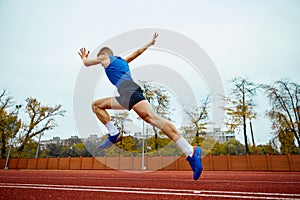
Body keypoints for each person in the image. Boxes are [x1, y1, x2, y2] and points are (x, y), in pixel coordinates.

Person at [78, 33, 202, 180]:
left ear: (104, 55)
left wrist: (84, 58)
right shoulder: (122, 61)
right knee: (97, 105)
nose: (101, 62)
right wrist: (149, 43)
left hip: (129, 92)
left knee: (153, 119)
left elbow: (87, 63)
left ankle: (190, 151)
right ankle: (114, 133)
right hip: (125, 95)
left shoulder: (105, 57)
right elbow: (137, 53)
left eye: (101, 59)